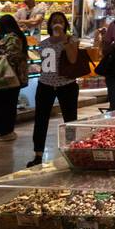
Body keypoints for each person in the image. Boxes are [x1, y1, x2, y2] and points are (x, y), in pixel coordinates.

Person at [30, 11, 80, 168]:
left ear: (65, 24)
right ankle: (38, 154)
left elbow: (72, 59)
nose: (57, 23)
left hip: (67, 85)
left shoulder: (72, 40)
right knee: (40, 119)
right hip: (45, 84)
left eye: (61, 21)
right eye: (54, 21)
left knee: (70, 119)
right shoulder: (43, 43)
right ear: (49, 25)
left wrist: (64, 40)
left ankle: (72, 150)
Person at [0, 14, 28, 141]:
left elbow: (11, 56)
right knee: (8, 104)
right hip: (12, 77)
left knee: (2, 103)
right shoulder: (17, 36)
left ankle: (4, 130)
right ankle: (5, 130)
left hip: (7, 76)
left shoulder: (12, 38)